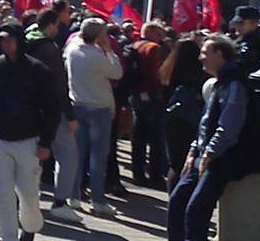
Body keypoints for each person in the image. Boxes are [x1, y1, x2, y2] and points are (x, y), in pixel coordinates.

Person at [167, 35, 260, 241]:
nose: (200, 58)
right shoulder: (218, 83)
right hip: (204, 155)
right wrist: (194, 151)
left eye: (205, 53)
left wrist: (209, 154)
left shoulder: (234, 84)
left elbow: (229, 127)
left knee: (195, 210)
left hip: (224, 157)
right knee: (177, 201)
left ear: (219, 54)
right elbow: (205, 122)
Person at [0, 20, 59, 241]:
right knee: (2, 192)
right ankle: (5, 235)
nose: (6, 44)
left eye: (10, 40)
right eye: (2, 40)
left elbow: (51, 108)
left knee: (28, 194)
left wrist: (46, 142)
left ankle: (29, 228)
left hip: (28, 139)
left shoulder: (38, 71)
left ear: (20, 41)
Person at [25, 8, 81, 224]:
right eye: (57, 25)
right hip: (51, 110)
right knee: (68, 155)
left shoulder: (24, 41)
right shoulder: (50, 49)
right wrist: (70, 114)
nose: (58, 30)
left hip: (29, 109)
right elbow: (59, 85)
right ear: (50, 25)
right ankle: (60, 202)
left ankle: (27, 198)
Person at [66, 17, 123, 217]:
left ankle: (73, 196)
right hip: (99, 108)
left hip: (77, 105)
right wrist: (109, 50)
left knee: (78, 154)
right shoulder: (99, 55)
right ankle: (97, 199)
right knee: (98, 156)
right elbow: (117, 73)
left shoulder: (72, 51)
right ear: (99, 35)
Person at [160, 38, 206, 191]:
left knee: (174, 163)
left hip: (171, 118)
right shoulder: (198, 73)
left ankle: (172, 197)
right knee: (187, 162)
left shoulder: (168, 69)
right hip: (190, 120)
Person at [129, 22, 169, 186]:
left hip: (136, 94)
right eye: (159, 34)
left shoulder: (135, 45)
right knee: (155, 137)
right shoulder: (153, 49)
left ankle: (137, 172)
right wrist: (160, 92)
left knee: (138, 135)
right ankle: (155, 174)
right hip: (152, 96)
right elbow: (156, 74)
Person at [230, 6, 260, 76]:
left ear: (254, 23)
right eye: (235, 23)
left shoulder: (259, 41)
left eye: (240, 23)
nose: (237, 26)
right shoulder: (239, 40)